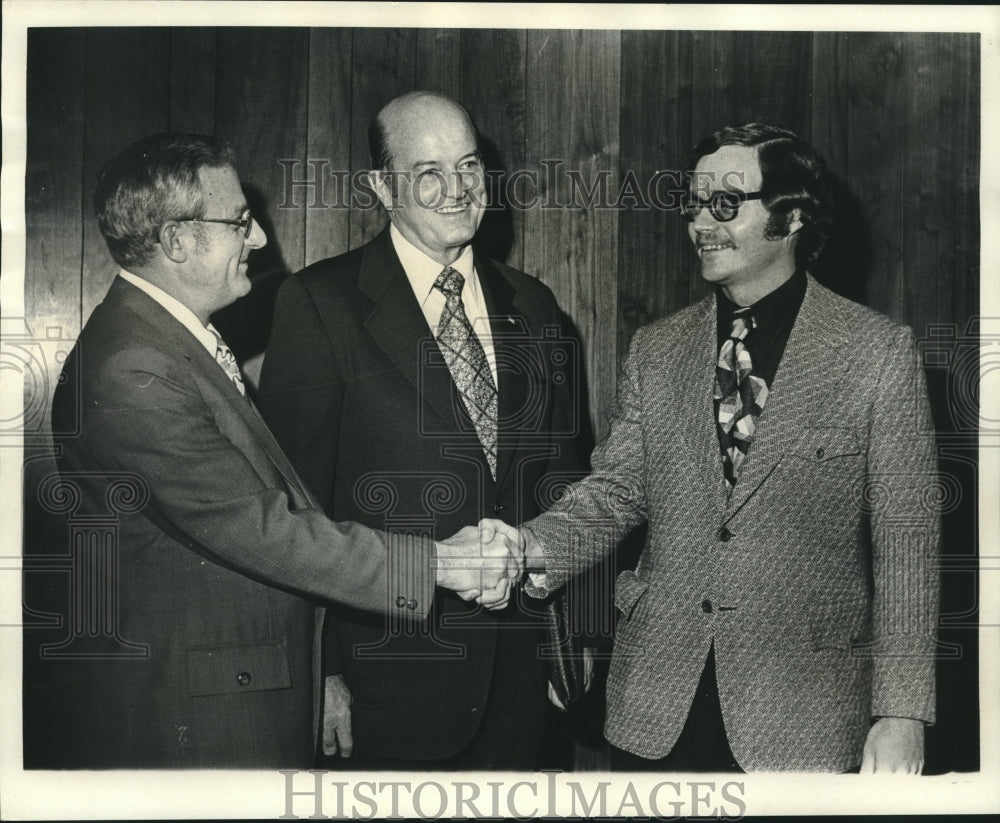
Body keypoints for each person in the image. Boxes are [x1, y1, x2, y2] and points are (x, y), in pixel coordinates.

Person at [38, 132, 518, 769]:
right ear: (177, 241)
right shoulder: (135, 369)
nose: (260, 238)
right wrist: (440, 565)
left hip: (228, 692)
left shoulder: (163, 342)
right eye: (240, 222)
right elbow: (265, 532)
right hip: (200, 711)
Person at [494, 123, 940, 773]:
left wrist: (901, 712)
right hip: (656, 703)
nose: (702, 221)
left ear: (790, 216)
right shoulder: (657, 348)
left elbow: (907, 542)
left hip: (802, 716)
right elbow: (617, 489)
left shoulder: (877, 353)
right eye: (694, 202)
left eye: (726, 204)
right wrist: (533, 545)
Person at [258, 91, 589, 770]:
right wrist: (321, 674)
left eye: (469, 166)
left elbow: (567, 477)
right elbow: (293, 508)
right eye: (428, 172)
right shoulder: (321, 304)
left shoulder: (535, 303)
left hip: (523, 688)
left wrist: (574, 633)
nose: (457, 189)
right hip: (386, 684)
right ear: (383, 187)